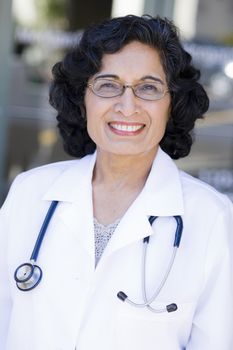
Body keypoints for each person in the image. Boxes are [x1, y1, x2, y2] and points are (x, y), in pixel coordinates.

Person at [0, 14, 233, 350]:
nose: (127, 106)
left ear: (173, 104)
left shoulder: (211, 218)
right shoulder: (29, 193)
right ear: (83, 99)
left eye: (148, 88)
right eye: (108, 85)